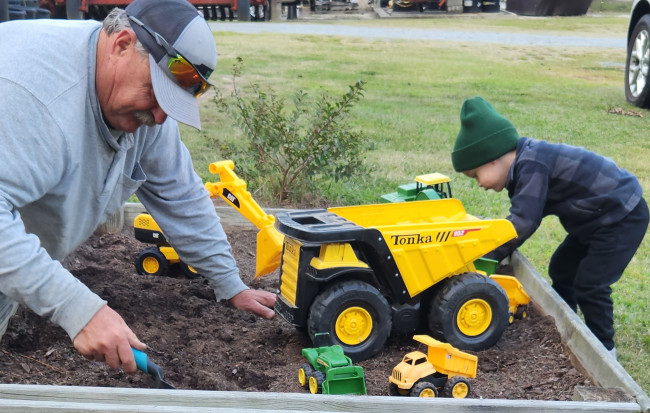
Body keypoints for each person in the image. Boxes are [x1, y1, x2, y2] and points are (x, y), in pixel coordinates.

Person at [0, 0, 276, 374]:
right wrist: (78, 309)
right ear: (122, 45)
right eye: (157, 92)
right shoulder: (33, 96)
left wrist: (231, 283)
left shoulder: (143, 111)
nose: (161, 117)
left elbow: (179, 193)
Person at [451, 96, 648, 358]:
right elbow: (523, 215)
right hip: (594, 219)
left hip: (622, 215)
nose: (479, 183)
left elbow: (523, 222)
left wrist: (487, 255)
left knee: (591, 283)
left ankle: (604, 351)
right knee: (561, 268)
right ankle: (566, 326)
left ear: (493, 159)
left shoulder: (531, 165)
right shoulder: (526, 163)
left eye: (476, 175)